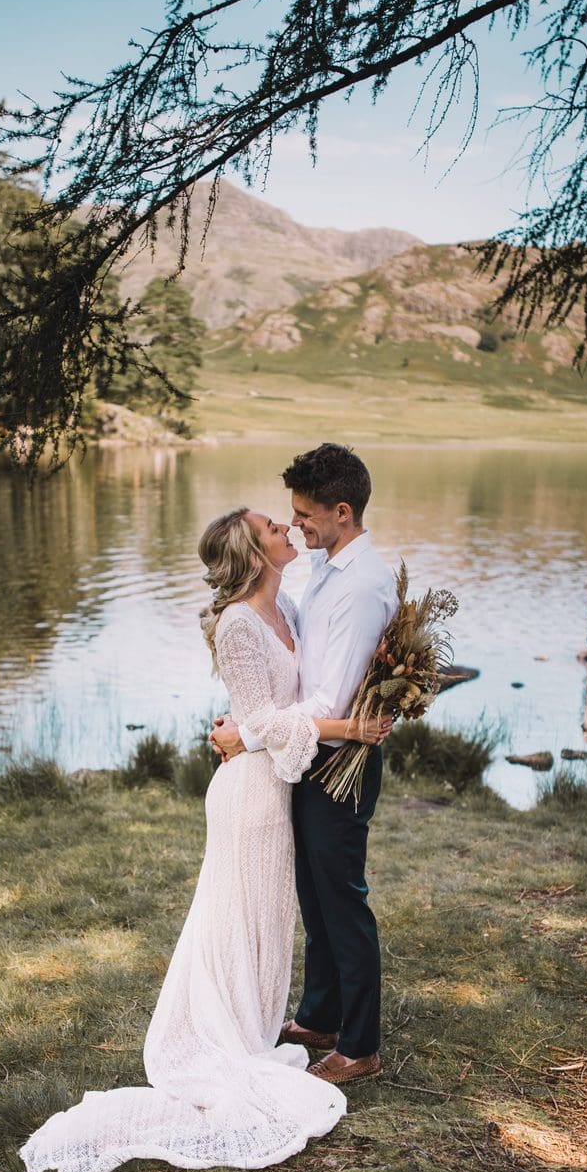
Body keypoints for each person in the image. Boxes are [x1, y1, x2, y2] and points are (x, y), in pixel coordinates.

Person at [18, 506, 389, 1172]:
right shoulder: (240, 622)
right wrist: (350, 730)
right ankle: (228, 1034)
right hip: (249, 793)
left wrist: (369, 677)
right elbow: (263, 721)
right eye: (276, 526)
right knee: (236, 913)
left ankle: (253, 1024)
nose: (288, 528)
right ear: (255, 550)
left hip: (278, 788)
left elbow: (299, 692)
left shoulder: (289, 610)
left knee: (266, 917)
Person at [211, 444, 397, 1087]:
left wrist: (250, 736)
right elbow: (283, 668)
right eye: (286, 519)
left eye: (304, 516)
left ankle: (361, 1042)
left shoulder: (361, 588)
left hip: (338, 759)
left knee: (342, 900)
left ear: (342, 512)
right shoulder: (326, 569)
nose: (295, 527)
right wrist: (250, 725)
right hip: (307, 756)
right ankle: (319, 1014)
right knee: (316, 900)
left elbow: (330, 699)